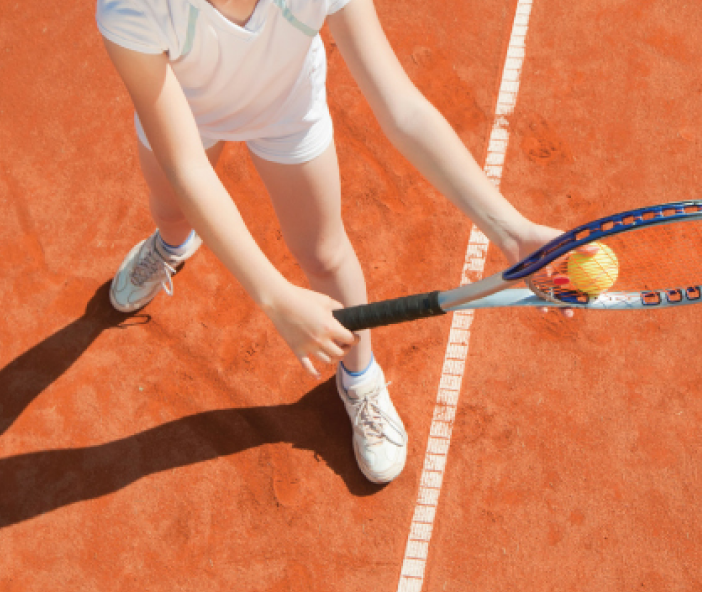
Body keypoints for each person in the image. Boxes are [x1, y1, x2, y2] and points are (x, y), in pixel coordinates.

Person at [96, 0, 564, 484]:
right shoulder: (134, 7)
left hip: (288, 112)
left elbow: (401, 107)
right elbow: (187, 168)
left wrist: (509, 230)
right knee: (172, 211)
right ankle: (172, 246)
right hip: (186, 120)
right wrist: (275, 296)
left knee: (323, 253)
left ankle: (359, 376)